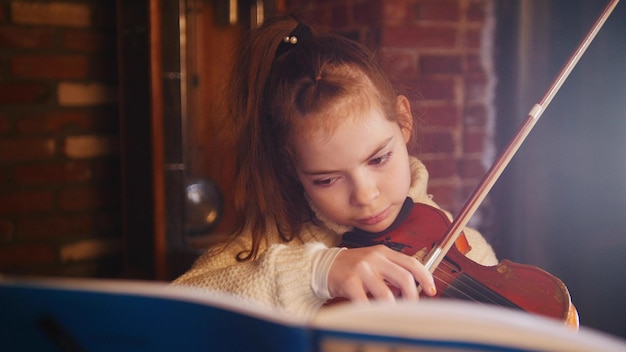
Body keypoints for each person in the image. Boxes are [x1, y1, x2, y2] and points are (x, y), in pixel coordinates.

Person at [172, 15, 498, 319]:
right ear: (290, 166)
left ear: (403, 121)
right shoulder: (273, 240)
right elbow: (177, 310)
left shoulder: (466, 251)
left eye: (379, 159)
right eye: (327, 180)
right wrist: (316, 271)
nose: (366, 195)